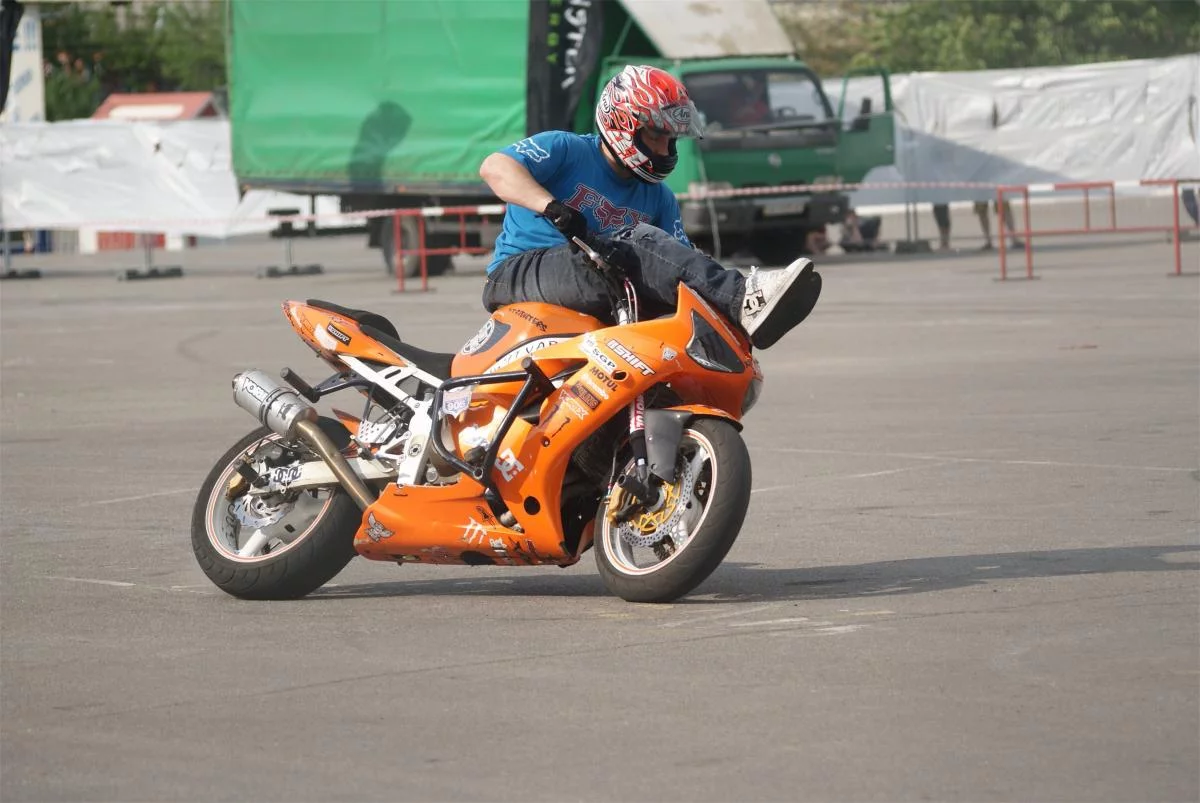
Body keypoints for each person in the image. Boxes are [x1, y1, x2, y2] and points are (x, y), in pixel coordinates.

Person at [479, 64, 818, 351]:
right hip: (519, 272)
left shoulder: (659, 197)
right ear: (622, 124)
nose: (665, 150)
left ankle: (737, 330)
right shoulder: (566, 148)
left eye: (671, 140)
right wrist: (552, 207)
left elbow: (677, 265)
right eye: (656, 136)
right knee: (636, 242)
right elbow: (495, 167)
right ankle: (741, 296)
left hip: (601, 281)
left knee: (681, 302)